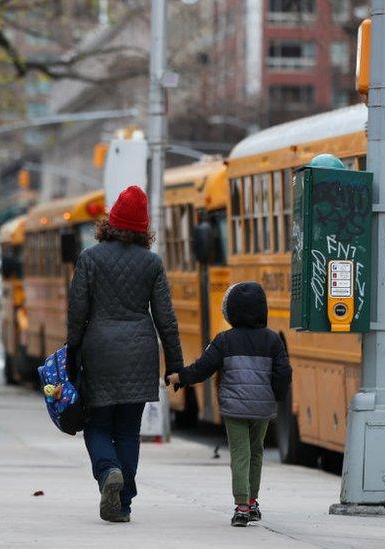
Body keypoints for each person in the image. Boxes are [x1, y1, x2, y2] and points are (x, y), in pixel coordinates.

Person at [66, 185, 183, 523]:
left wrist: (72, 354)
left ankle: (107, 473)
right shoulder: (151, 263)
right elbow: (166, 318)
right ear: (144, 227)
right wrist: (175, 364)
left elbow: (77, 312)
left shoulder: (90, 258)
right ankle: (124, 503)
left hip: (99, 349)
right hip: (140, 350)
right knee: (129, 429)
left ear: (110, 221)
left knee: (97, 423)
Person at [166, 281, 292, 527]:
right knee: (256, 451)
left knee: (240, 452)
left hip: (234, 408)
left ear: (231, 311)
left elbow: (203, 368)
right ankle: (253, 502)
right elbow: (283, 373)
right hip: (262, 407)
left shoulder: (224, 340)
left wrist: (180, 377)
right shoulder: (273, 341)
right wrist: (275, 395)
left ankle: (242, 506)